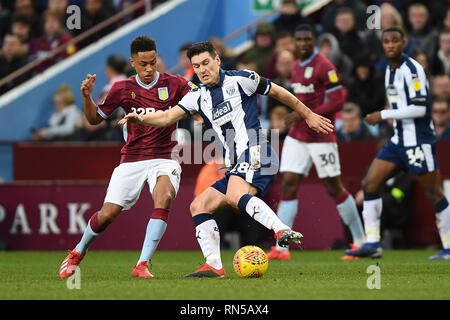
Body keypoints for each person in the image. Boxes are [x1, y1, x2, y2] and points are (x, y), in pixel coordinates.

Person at [119, 40, 333, 277]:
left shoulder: (243, 79)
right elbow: (167, 116)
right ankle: (214, 265)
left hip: (257, 151)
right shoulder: (196, 96)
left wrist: (308, 115)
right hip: (235, 164)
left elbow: (279, 92)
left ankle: (280, 229)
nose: (202, 69)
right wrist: (140, 118)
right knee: (199, 205)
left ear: (217, 60)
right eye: (197, 65)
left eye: (206, 63)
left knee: (234, 195)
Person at [58, 36, 196, 279]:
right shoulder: (121, 88)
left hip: (165, 156)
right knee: (107, 214)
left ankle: (142, 264)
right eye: (143, 64)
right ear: (133, 62)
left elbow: (201, 98)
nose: (149, 68)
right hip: (132, 158)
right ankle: (78, 251)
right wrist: (86, 97)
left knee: (163, 198)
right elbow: (94, 121)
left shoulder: (175, 83)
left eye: (153, 62)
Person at [346, 27, 450, 260]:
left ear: (404, 42)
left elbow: (420, 107)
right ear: (382, 45)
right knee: (370, 183)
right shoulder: (388, 71)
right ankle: (373, 243)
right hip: (398, 140)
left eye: (395, 41)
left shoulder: (413, 69)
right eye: (386, 41)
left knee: (434, 194)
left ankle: (449, 247)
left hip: (418, 141)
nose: (391, 45)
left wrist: (383, 115)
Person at [267, 24, 366, 261]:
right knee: (289, 184)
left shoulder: (325, 66)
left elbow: (338, 100)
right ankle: (282, 248)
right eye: (299, 40)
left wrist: (303, 114)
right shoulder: (294, 66)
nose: (302, 44)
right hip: (298, 136)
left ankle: (361, 242)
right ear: (294, 42)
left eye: (307, 40)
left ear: (313, 41)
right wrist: (299, 116)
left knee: (334, 187)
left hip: (322, 135)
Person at [29, 9, 77, 74]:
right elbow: (33, 61)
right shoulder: (39, 42)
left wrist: (53, 57)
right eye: (48, 22)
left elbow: (71, 55)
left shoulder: (66, 39)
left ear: (60, 23)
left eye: (54, 21)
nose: (51, 24)